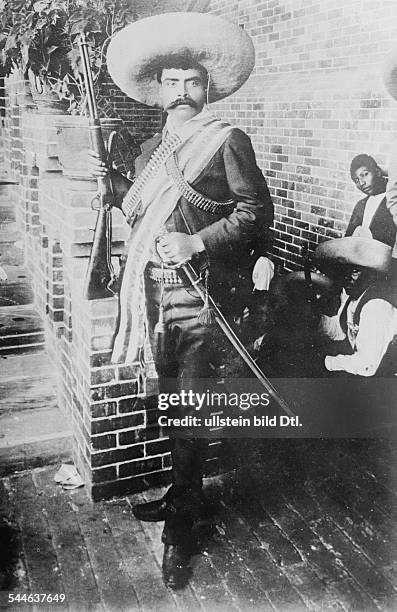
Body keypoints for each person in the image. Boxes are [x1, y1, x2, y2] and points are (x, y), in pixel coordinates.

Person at [89, 12, 273, 589]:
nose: (182, 91)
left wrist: (197, 240)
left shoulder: (227, 141)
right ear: (159, 91)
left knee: (192, 413)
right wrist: (113, 184)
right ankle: (180, 498)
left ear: (207, 87)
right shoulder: (149, 150)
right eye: (171, 82)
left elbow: (255, 214)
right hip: (153, 304)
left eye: (192, 81)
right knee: (171, 410)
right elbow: (141, 211)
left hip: (201, 301)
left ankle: (180, 535)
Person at [314, 237, 397, 377]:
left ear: (370, 274)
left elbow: (366, 365)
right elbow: (340, 331)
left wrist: (327, 362)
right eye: (344, 271)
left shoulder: (375, 306)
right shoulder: (354, 297)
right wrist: (314, 319)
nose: (347, 277)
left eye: (355, 272)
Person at [345, 154, 396, 247]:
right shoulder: (360, 205)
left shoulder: (393, 202)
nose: (361, 183)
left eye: (365, 175)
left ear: (378, 172)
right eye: (356, 180)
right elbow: (347, 241)